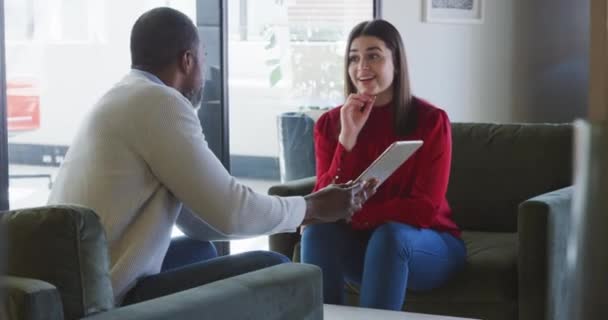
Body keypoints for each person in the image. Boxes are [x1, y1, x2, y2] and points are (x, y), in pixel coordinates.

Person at [47, 7, 376, 305]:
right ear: (187, 60)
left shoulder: (122, 96)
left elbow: (202, 219)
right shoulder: (160, 103)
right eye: (204, 58)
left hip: (76, 286)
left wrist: (302, 210)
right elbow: (232, 211)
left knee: (200, 251)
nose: (206, 72)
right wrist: (313, 207)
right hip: (105, 296)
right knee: (278, 269)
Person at [301, 19, 466, 311]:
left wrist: (357, 216)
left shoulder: (430, 121)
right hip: (364, 246)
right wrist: (347, 139)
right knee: (317, 232)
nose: (361, 66)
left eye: (373, 55)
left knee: (389, 236)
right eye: (354, 57)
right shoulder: (330, 124)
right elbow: (323, 200)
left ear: (397, 63)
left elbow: (424, 209)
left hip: (426, 245)